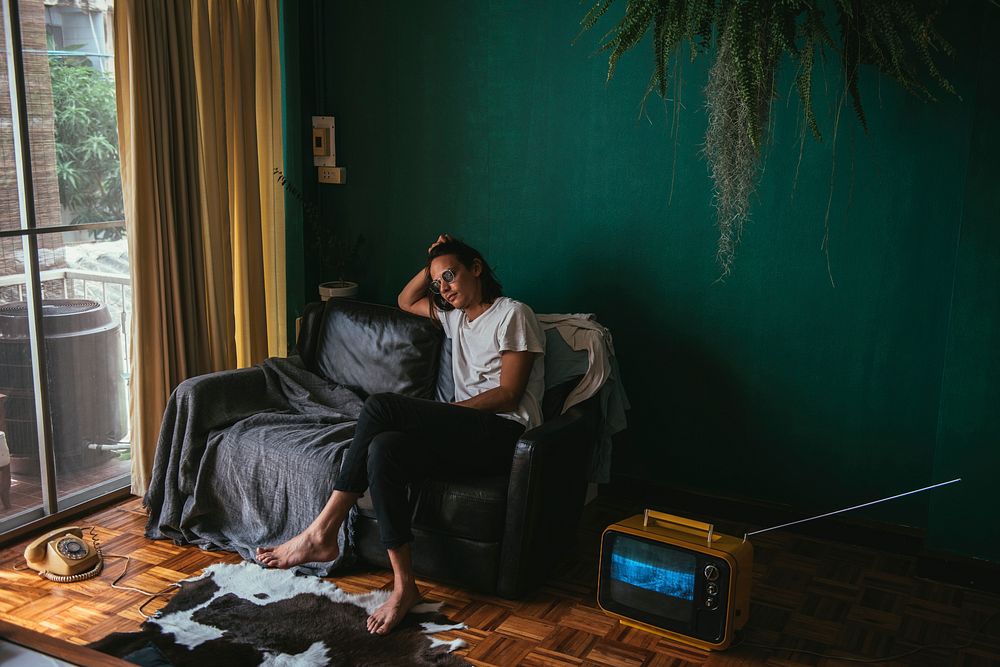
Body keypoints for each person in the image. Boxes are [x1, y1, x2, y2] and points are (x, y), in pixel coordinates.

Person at [257, 234, 546, 635]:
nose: (444, 287)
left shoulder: (513, 314)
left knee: (380, 407)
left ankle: (323, 530)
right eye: (438, 282)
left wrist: (444, 413)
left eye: (451, 275)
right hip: (463, 434)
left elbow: (509, 393)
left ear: (476, 268)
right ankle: (404, 586)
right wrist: (430, 261)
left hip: (504, 435)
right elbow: (405, 300)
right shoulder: (454, 317)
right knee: (383, 448)